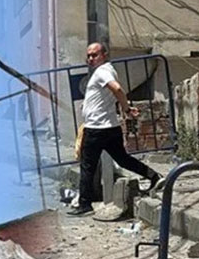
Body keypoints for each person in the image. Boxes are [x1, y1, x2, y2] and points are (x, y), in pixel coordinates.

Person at [69, 42, 162, 216]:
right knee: (123, 159)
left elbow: (117, 89)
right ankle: (154, 176)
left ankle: (85, 204)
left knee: (87, 166)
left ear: (104, 55)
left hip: (96, 128)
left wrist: (126, 108)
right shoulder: (107, 70)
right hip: (109, 126)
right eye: (88, 55)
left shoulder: (103, 71)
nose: (90, 58)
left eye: (94, 55)